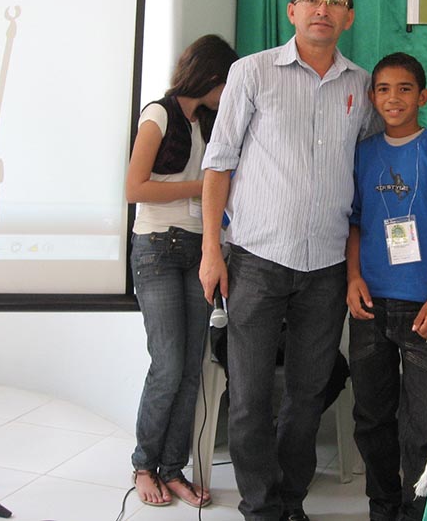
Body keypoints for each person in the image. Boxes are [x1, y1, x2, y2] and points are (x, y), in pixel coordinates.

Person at [198, 0, 427, 521]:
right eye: (312, 0)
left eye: (335, 2)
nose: (322, 10)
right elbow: (218, 165)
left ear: (349, 16)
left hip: (327, 269)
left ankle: (291, 501)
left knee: (308, 396)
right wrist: (210, 250)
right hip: (256, 259)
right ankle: (261, 508)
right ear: (292, 10)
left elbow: (390, 156)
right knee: (249, 398)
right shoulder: (252, 73)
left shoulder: (361, 87)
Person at [345, 52, 427, 521]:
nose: (393, 98)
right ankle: (382, 507)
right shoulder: (362, 152)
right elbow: (354, 221)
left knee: (424, 422)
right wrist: (353, 277)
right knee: (372, 417)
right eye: (383, 89)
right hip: (369, 306)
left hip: (423, 307)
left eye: (404, 89)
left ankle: (418, 510)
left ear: (424, 96)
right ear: (371, 96)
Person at [125, 34, 237, 507]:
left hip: (199, 248)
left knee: (191, 367)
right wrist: (202, 187)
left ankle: (173, 469)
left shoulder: (207, 122)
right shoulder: (158, 114)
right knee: (168, 365)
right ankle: (144, 465)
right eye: (225, 83)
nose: (228, 93)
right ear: (210, 76)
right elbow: (134, 189)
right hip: (156, 246)